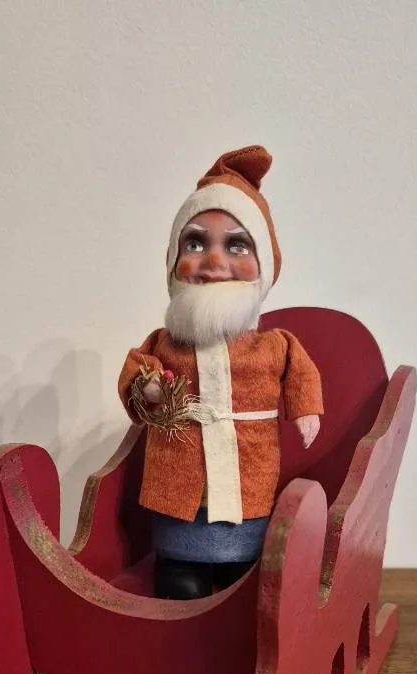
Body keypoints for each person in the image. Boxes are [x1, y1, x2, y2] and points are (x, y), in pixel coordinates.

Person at [117, 145, 323, 600]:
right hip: (179, 467)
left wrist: (305, 408)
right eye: (195, 244)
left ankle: (239, 566)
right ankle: (179, 563)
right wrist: (147, 387)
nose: (213, 263)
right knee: (181, 552)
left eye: (236, 245)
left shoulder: (274, 344)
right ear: (173, 261)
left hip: (249, 467)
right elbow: (137, 368)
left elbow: (300, 371)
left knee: (242, 542)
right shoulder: (164, 343)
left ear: (263, 265)